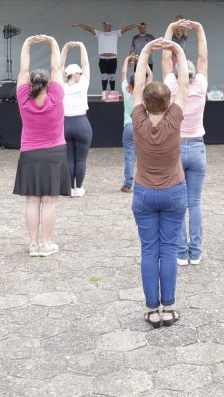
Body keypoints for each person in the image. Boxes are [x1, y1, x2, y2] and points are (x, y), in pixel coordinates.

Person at [130, 37, 189, 328]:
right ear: (168, 103)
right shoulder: (174, 119)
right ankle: (169, 307)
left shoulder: (138, 119)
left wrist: (145, 52)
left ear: (144, 102)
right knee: (168, 250)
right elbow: (185, 86)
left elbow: (138, 86)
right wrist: (177, 50)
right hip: (174, 192)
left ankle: (152, 310)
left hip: (143, 192)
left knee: (148, 251)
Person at [13, 34, 69, 257]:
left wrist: (27, 43)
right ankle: (46, 244)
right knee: (49, 202)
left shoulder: (23, 99)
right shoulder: (56, 96)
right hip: (54, 153)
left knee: (32, 201)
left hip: (29, 153)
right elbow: (57, 67)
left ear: (30, 84)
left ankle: (33, 244)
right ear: (48, 84)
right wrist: (53, 42)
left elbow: (23, 70)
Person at [163, 19, 208, 266]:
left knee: (177, 203)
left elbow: (165, 60)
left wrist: (170, 29)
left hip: (176, 148)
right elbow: (203, 58)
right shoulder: (200, 86)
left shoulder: (171, 86)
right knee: (194, 203)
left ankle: (181, 252)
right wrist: (199, 29)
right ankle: (196, 251)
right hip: (197, 147)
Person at [61, 41, 92, 197]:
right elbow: (85, 63)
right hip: (81, 123)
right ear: (74, 74)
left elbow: (58, 66)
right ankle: (78, 188)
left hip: (65, 124)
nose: (81, 74)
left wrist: (65, 48)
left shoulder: (61, 85)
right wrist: (81, 45)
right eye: (78, 73)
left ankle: (69, 188)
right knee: (81, 159)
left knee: (68, 158)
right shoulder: (83, 85)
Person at [120, 53, 152, 193]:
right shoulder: (145, 92)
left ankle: (128, 184)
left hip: (129, 126)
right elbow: (150, 76)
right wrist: (143, 63)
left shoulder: (127, 92)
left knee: (129, 155)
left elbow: (122, 74)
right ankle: (146, 181)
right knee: (144, 155)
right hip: (143, 125)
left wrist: (127, 60)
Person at [73, 21, 138, 91]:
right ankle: (104, 93)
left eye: (106, 25)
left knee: (112, 77)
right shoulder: (99, 34)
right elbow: (89, 29)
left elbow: (126, 28)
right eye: (104, 25)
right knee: (104, 77)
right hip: (103, 59)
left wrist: (136, 25)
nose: (104, 26)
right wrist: (79, 25)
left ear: (110, 26)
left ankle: (112, 93)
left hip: (113, 59)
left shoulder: (115, 33)